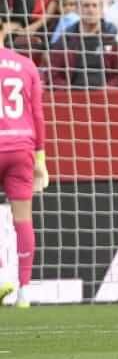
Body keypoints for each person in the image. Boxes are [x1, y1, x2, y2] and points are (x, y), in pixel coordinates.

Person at [0, 40, 47, 310]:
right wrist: (40, 157)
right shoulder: (25, 64)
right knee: (23, 220)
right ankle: (24, 292)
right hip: (21, 147)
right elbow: (37, 114)